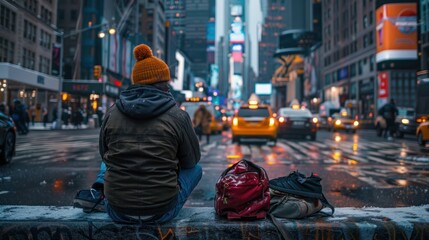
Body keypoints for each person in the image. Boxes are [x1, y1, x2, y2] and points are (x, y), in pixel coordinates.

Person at [74, 44, 202, 224]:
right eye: (167, 81)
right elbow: (191, 161)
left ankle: (99, 192)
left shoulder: (112, 112)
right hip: (162, 211)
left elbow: (104, 153)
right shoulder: (178, 116)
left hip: (118, 210)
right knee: (196, 169)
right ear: (163, 84)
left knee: (108, 159)